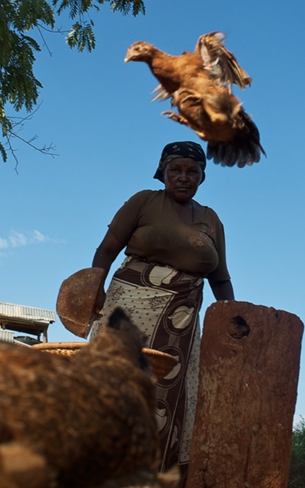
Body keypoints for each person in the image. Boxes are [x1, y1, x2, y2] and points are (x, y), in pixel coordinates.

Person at [89, 141, 235, 476]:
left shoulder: (211, 219)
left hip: (180, 326)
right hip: (129, 311)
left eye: (192, 171)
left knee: (168, 399)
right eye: (175, 170)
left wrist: (233, 318)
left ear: (202, 175)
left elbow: (220, 278)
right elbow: (107, 250)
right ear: (163, 172)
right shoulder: (144, 202)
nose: (183, 177)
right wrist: (93, 286)